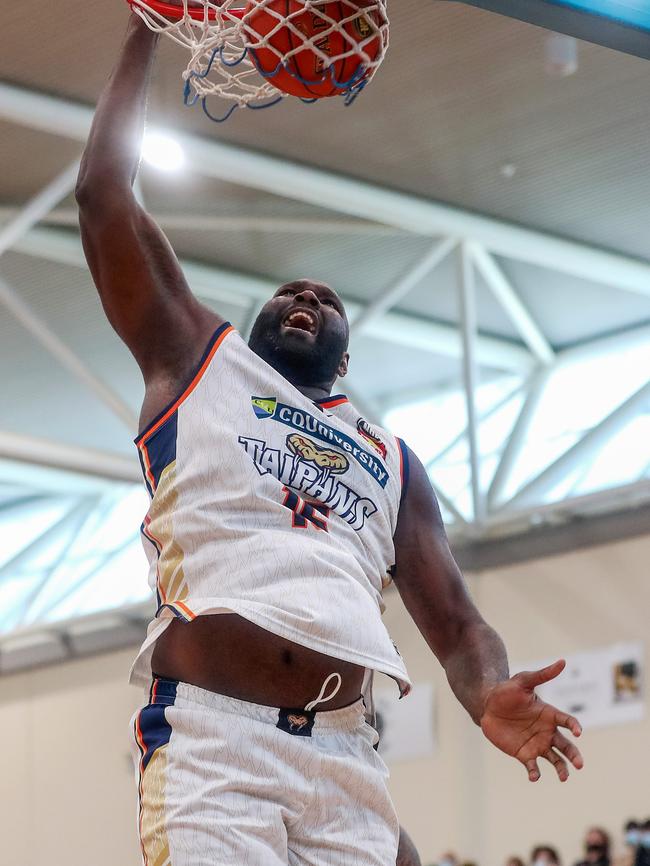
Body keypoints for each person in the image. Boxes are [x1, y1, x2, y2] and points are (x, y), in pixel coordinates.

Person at [76, 11, 584, 866]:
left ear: (345, 355)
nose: (302, 296)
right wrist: (145, 28)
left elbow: (457, 626)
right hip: (215, 743)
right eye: (285, 293)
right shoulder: (199, 362)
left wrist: (490, 688)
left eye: (323, 299)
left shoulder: (391, 460)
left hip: (347, 752)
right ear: (257, 322)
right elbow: (102, 195)